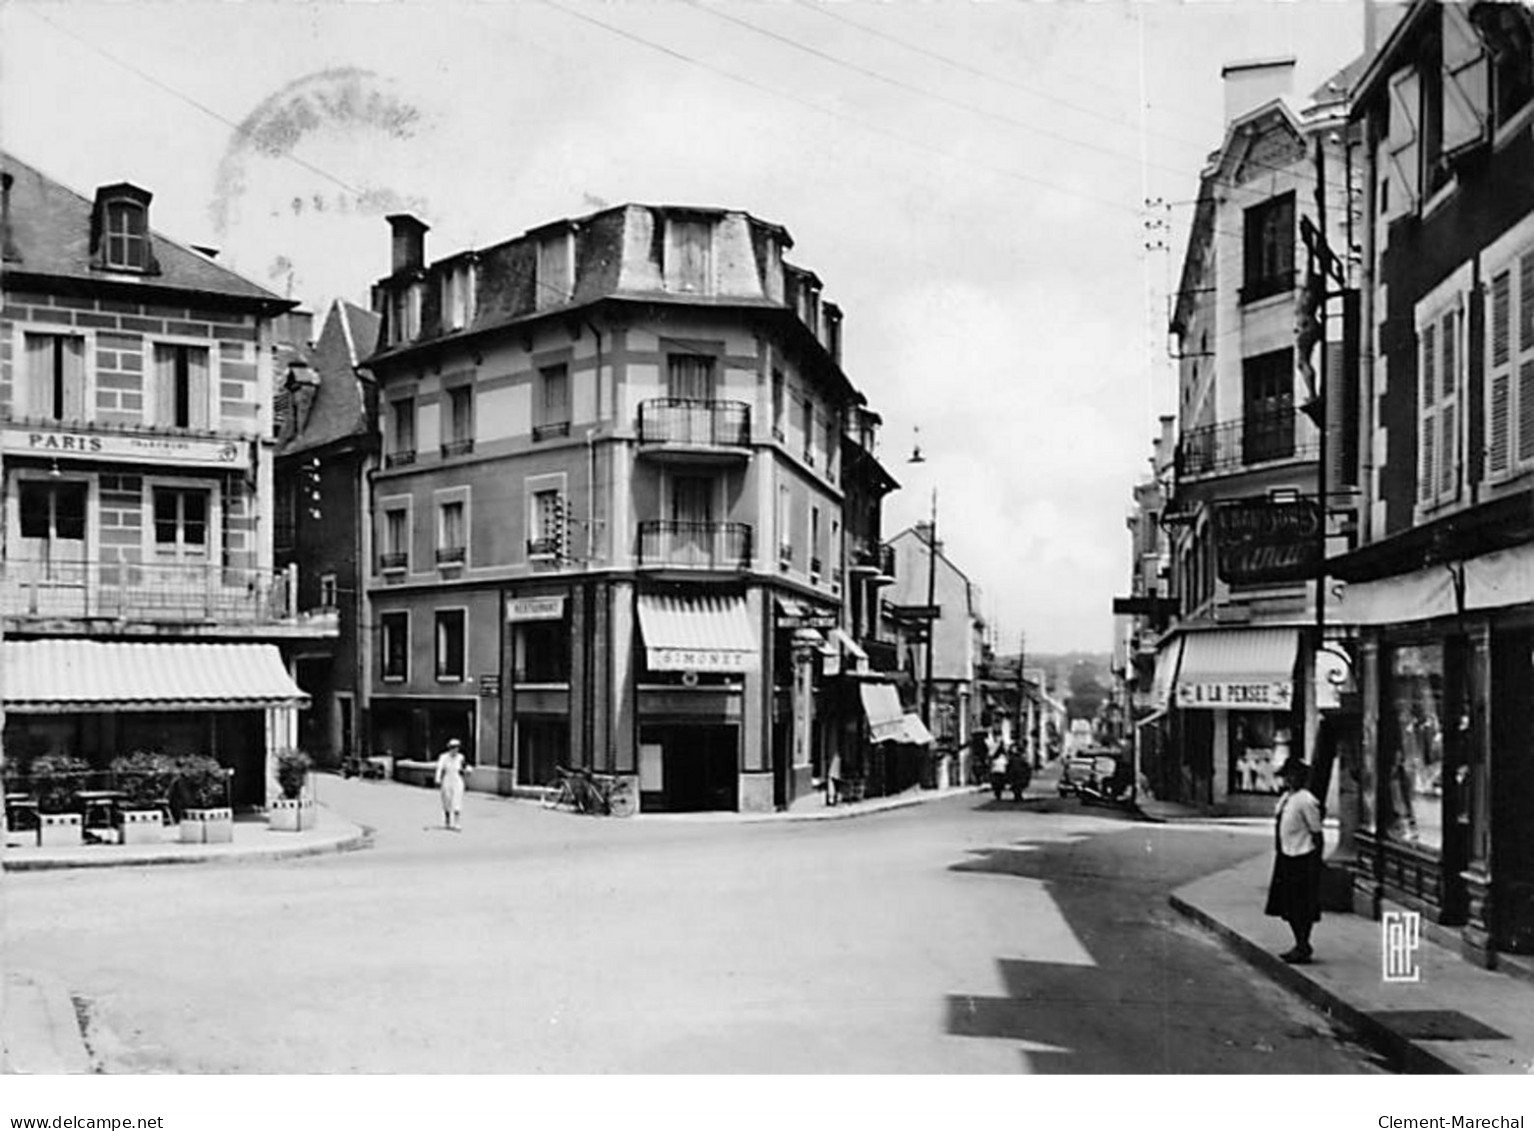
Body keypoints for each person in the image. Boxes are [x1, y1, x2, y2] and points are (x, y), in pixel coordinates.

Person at [1264, 758, 1324, 964]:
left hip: (1302, 857)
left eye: (1294, 775)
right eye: (1287, 775)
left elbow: (1317, 832)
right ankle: (1299, 943)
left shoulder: (1306, 800)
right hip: (1286, 855)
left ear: (1302, 777)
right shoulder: (1286, 798)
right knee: (1288, 905)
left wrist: (1316, 861)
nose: (1290, 779)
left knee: (1301, 905)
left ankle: (1303, 944)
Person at [434, 738, 467, 831]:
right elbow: (439, 768)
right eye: (452, 747)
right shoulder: (444, 757)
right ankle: (447, 820)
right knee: (447, 800)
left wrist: (466, 771)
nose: (455, 750)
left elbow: (464, 767)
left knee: (457, 800)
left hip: (457, 780)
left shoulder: (461, 757)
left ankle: (457, 822)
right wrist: (438, 778)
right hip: (447, 779)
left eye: (456, 747)